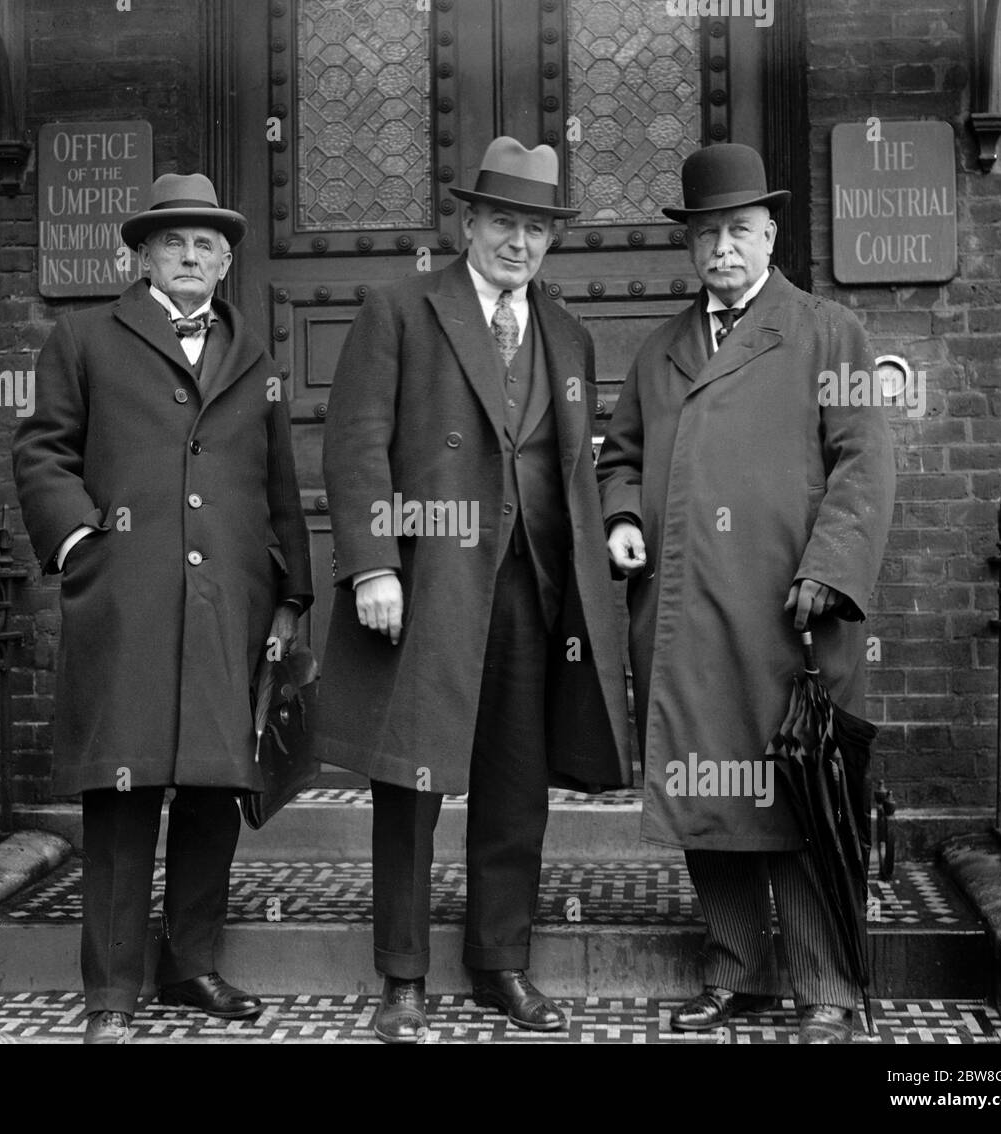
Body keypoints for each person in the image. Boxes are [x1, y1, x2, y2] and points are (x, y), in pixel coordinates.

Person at [315, 137, 631, 1044]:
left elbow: (570, 468)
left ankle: (503, 963)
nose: (519, 243)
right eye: (504, 222)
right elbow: (355, 442)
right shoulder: (401, 309)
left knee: (515, 786)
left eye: (536, 228)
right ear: (468, 223)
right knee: (408, 782)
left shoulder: (568, 334)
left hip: (532, 592)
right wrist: (374, 563)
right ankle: (403, 978)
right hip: (426, 583)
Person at [597, 143, 895, 1044]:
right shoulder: (661, 351)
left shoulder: (827, 332)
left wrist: (829, 570)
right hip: (686, 617)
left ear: (769, 234)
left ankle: (826, 988)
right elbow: (622, 455)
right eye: (705, 234)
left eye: (738, 230)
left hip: (789, 619)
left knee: (801, 799)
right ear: (689, 247)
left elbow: (864, 460)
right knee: (706, 797)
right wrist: (620, 519)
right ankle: (735, 970)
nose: (722, 248)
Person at [12, 172, 312, 1044]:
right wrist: (81, 548)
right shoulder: (85, 338)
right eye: (174, 242)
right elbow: (42, 453)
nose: (192, 256)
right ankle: (110, 992)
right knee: (123, 794)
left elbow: (278, 482)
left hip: (231, 602)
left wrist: (289, 592)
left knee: (215, 791)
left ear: (225, 261)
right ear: (140, 255)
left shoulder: (251, 352)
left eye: (208, 244)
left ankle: (190, 967)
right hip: (129, 601)